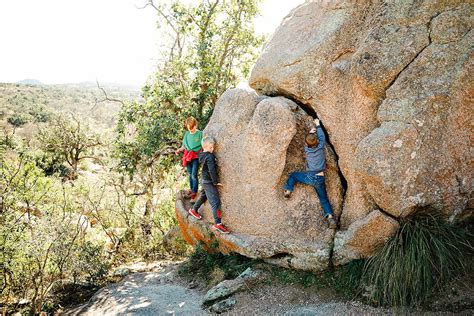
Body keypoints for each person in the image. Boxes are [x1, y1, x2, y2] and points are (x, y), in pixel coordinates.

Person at [283, 118, 338, 229]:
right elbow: (322, 136)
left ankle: (288, 190)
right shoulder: (321, 145)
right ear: (318, 142)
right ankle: (330, 217)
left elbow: (308, 141)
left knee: (293, 175)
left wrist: (310, 133)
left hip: (310, 176)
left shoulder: (307, 149)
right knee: (323, 199)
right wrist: (317, 125)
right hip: (320, 177)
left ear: (305, 144)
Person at [188, 136, 230, 234]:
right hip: (209, 182)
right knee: (215, 203)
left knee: (203, 196)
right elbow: (212, 170)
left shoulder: (202, 155)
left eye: (213, 147)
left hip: (204, 180)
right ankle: (218, 224)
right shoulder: (210, 156)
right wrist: (215, 182)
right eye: (211, 148)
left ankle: (194, 210)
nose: (213, 149)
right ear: (205, 147)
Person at [176, 117, 202, 200]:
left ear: (195, 125)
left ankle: (194, 191)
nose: (191, 130)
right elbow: (184, 146)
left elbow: (203, 144)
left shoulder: (200, 134)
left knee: (194, 174)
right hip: (188, 156)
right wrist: (179, 150)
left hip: (196, 156)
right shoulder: (187, 134)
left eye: (192, 128)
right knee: (190, 174)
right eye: (189, 128)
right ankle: (191, 189)